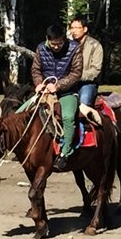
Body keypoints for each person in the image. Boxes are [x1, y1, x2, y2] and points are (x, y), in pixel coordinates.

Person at [31, 22, 84, 171]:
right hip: (45, 91)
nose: (56, 47)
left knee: (68, 117)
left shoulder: (74, 48)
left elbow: (76, 73)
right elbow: (36, 69)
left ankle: (65, 153)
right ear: (48, 39)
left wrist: (58, 86)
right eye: (53, 44)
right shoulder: (40, 49)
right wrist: (38, 83)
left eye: (59, 43)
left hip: (67, 92)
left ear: (63, 39)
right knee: (24, 112)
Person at [68, 15, 103, 107]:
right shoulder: (67, 45)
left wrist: (77, 76)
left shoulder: (95, 46)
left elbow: (96, 70)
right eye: (72, 28)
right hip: (68, 83)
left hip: (87, 83)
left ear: (85, 29)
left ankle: (85, 121)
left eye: (77, 28)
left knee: (84, 102)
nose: (73, 31)